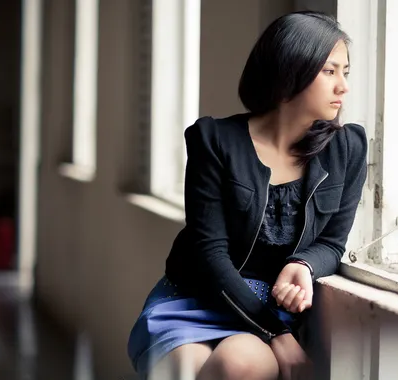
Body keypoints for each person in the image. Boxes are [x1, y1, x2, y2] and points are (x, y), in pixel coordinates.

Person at [127, 10, 367, 380]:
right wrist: (278, 334)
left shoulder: (347, 148)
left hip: (271, 306)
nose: (343, 87)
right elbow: (210, 254)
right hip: (197, 298)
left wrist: (302, 265)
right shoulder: (214, 140)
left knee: (243, 366)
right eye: (329, 71)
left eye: (345, 72)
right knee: (182, 371)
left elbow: (332, 244)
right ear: (291, 69)